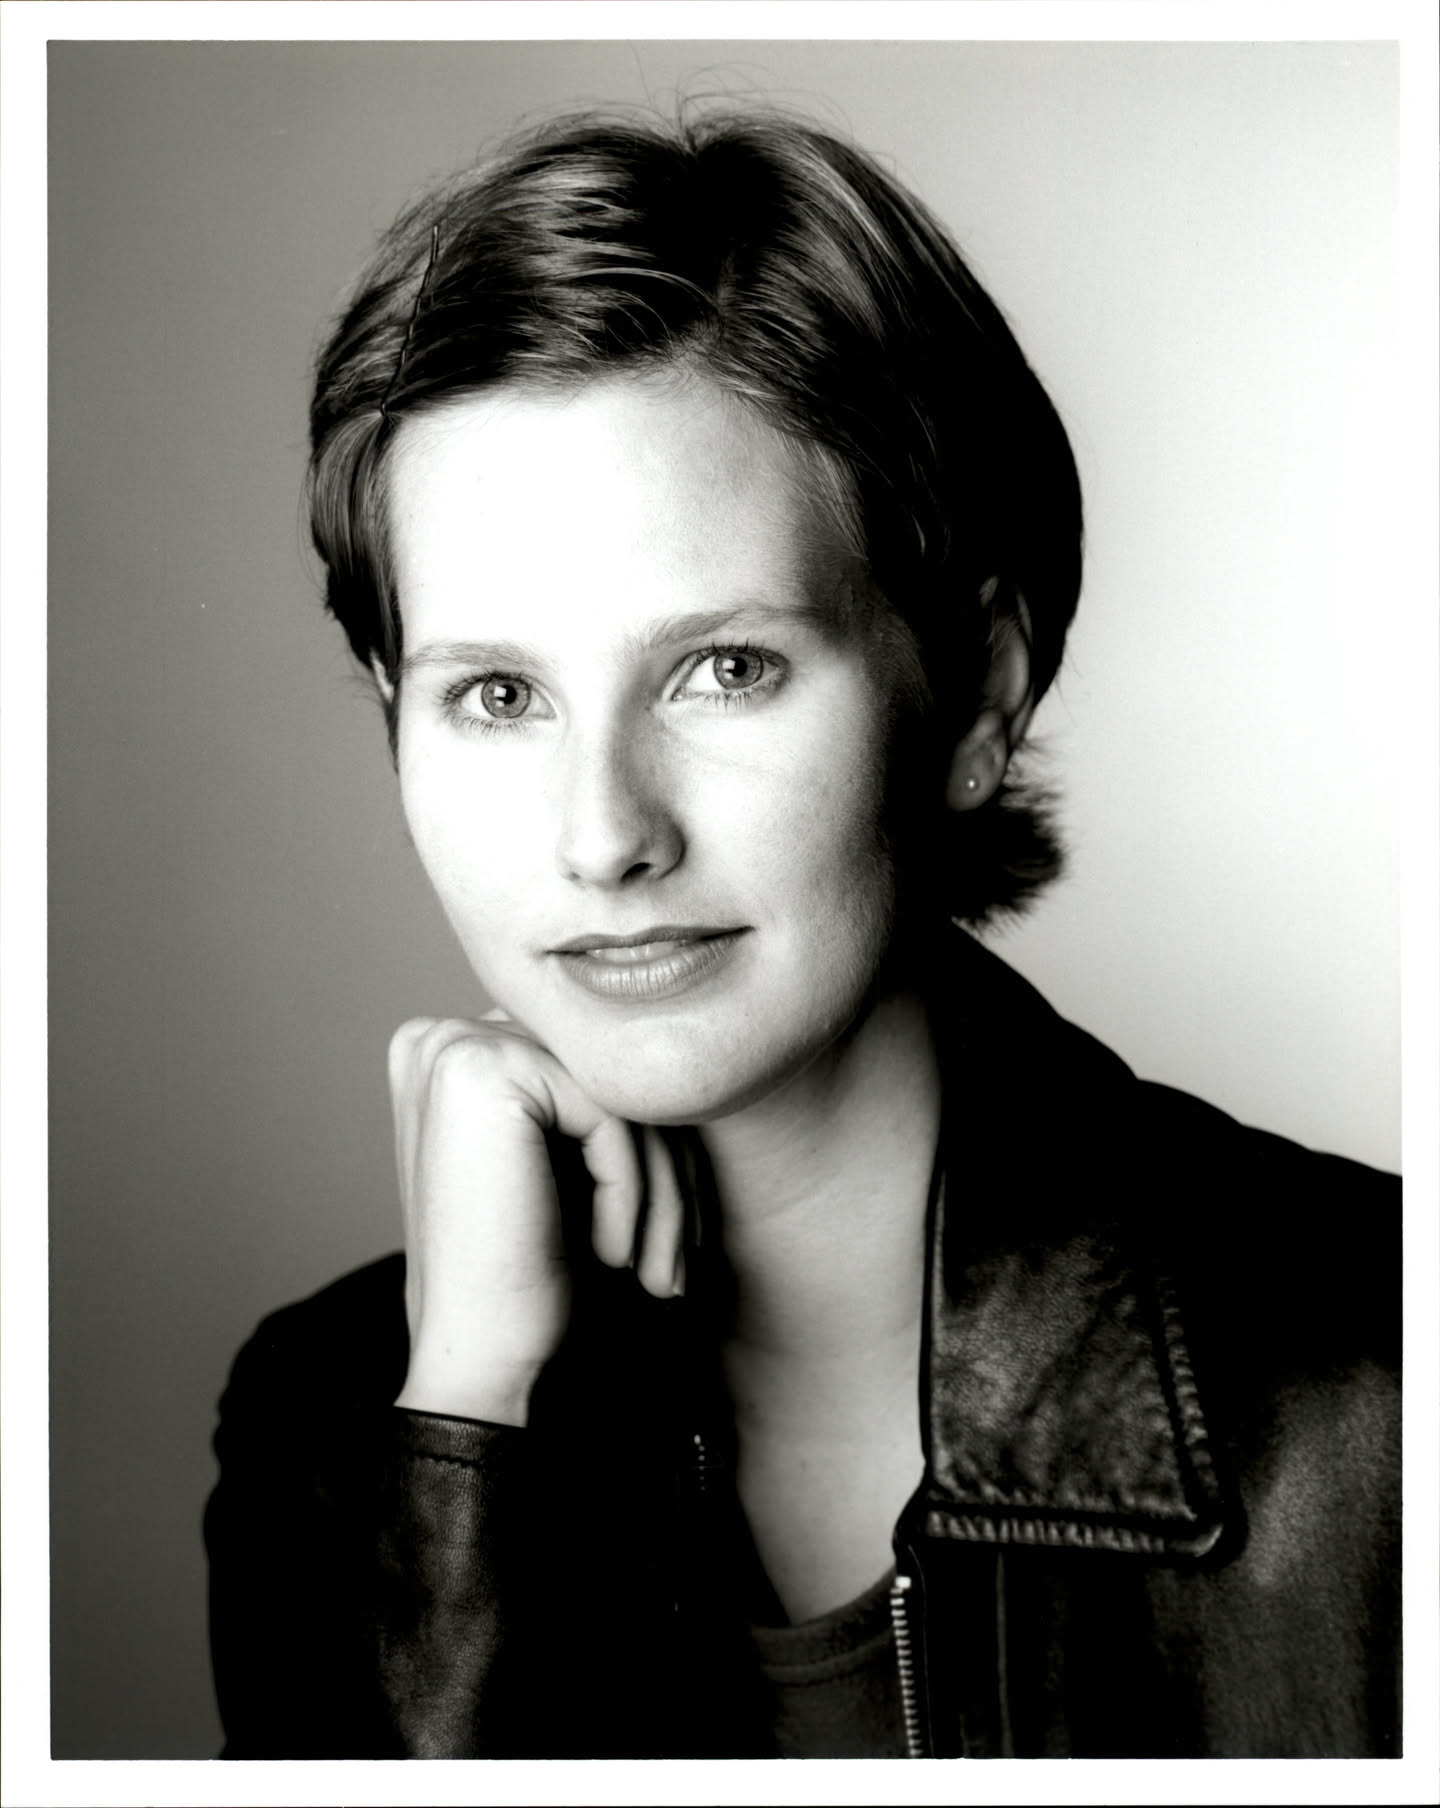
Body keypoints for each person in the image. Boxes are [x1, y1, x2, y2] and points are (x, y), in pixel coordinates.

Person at [205, 108, 1400, 1760]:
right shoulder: (347, 1425)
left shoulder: (1382, 1384)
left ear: (975, 694)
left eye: (725, 670)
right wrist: (474, 1418)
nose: (604, 836)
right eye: (495, 696)